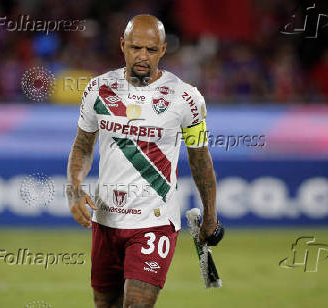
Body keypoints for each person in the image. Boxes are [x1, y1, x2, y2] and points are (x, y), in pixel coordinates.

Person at [66, 14, 224, 308]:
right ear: (123, 45)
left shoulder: (187, 98)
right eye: (136, 48)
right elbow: (82, 147)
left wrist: (210, 218)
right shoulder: (97, 89)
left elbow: (201, 161)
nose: (142, 56)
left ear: (163, 50)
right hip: (106, 220)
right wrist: (74, 187)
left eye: (151, 50)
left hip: (154, 223)